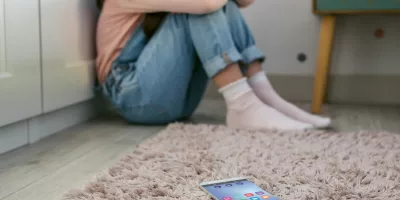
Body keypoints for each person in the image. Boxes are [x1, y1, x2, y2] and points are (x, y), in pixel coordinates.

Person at [96, 0, 331, 130]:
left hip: (179, 102)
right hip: (135, 100)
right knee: (199, 7)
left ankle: (264, 96)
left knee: (220, 3)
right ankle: (243, 105)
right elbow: (207, 4)